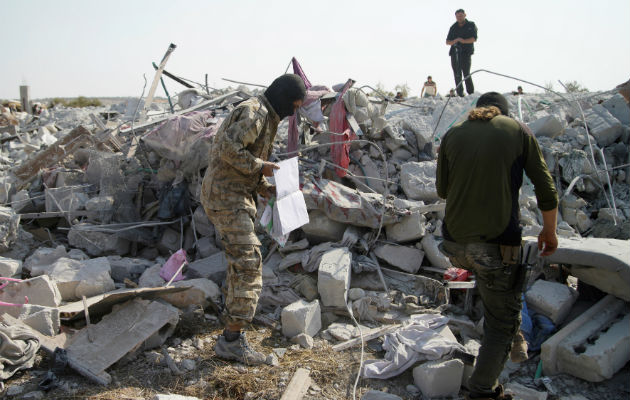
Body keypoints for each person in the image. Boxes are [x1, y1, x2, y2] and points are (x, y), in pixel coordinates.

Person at [436, 92, 558, 400]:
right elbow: (545, 188)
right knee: (503, 320)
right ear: (502, 113)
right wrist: (550, 232)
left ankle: (509, 333)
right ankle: (482, 391)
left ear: (477, 112)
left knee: (497, 296)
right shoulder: (518, 130)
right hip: (496, 246)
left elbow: (441, 190)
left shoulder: (453, 133)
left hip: (454, 245)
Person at [201, 74, 306, 365]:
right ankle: (231, 341)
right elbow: (227, 149)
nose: (293, 113)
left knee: (240, 261)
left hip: (233, 195)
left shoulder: (265, 114)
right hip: (226, 198)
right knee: (248, 263)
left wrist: (268, 187)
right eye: (294, 106)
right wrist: (263, 167)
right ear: (283, 98)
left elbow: (243, 160)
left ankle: (231, 328)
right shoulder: (254, 113)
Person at [446, 9, 477, 97]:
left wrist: (463, 41)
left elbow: (474, 39)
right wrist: (455, 41)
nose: (459, 18)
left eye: (461, 16)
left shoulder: (471, 25)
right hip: (454, 52)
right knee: (457, 73)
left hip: (466, 52)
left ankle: (470, 93)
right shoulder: (453, 27)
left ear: (465, 15)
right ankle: (460, 94)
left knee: (466, 72)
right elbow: (447, 41)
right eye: (457, 16)